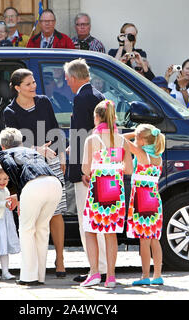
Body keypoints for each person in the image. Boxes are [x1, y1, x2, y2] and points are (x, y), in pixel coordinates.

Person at [3, 68, 67, 278]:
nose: (34, 86)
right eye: (29, 84)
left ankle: (60, 259)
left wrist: (62, 156)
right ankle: (36, 264)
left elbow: (56, 130)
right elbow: (15, 144)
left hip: (52, 159)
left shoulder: (44, 102)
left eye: (34, 83)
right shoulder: (10, 112)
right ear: (17, 88)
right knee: (35, 217)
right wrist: (37, 149)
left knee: (56, 212)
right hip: (28, 164)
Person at [0, 128, 63, 286]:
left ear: (3, 146)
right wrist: (21, 196)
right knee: (42, 229)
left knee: (26, 230)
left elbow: (12, 169)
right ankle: (40, 276)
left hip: (33, 186)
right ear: (20, 142)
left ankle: (28, 276)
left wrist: (19, 194)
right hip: (54, 184)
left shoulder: (4, 153)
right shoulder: (32, 151)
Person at [80, 100, 133, 288]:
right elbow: (128, 169)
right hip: (115, 189)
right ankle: (110, 276)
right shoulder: (122, 140)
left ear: (97, 117)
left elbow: (86, 169)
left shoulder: (92, 139)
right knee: (111, 234)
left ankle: (94, 272)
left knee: (90, 230)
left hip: (98, 188)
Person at [64, 58, 107, 283]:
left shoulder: (82, 98)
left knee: (87, 220)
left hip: (87, 168)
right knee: (98, 219)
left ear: (73, 77)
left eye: (67, 78)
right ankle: (101, 267)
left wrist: (82, 168)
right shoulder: (97, 95)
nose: (66, 82)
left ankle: (96, 269)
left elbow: (82, 134)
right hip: (99, 163)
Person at [123, 124, 166, 286]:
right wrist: (140, 134)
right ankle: (158, 275)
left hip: (142, 199)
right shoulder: (158, 156)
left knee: (144, 240)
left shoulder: (141, 155)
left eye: (137, 137)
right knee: (154, 238)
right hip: (154, 199)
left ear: (141, 140)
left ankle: (145, 275)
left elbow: (121, 140)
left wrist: (132, 133)